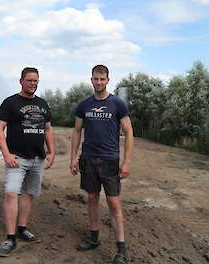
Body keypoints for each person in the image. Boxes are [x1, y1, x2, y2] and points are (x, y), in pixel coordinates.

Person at [70, 65, 134, 264]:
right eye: (95, 79)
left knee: (114, 203)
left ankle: (121, 250)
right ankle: (94, 237)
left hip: (109, 160)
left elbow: (129, 133)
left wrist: (126, 162)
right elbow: (77, 131)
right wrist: (73, 157)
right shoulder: (84, 105)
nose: (99, 82)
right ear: (91, 80)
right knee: (92, 198)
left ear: (108, 80)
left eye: (102, 79)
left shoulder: (117, 104)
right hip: (88, 158)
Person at [0, 67, 56, 257]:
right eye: (29, 80)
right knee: (11, 194)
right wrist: (6, 154)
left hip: (37, 158)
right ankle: (10, 238)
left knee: (29, 194)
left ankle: (22, 229)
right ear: (21, 81)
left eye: (36, 81)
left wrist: (52, 152)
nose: (33, 83)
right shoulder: (10, 103)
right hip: (17, 159)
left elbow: (47, 130)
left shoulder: (43, 104)